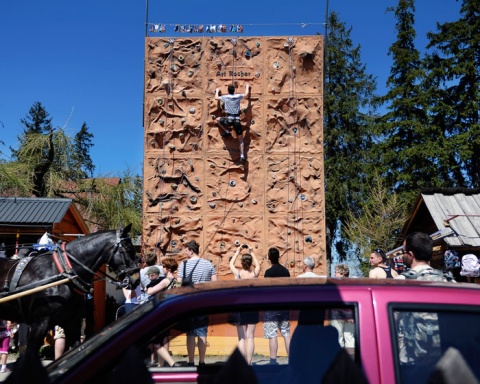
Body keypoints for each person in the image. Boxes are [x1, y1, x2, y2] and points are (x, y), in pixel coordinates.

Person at [178, 240, 217, 366]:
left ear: (191, 250)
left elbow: (179, 284)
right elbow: (214, 284)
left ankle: (190, 361)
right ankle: (202, 361)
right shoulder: (208, 265)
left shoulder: (183, 265)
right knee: (202, 332)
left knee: (190, 333)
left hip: (188, 303)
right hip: (203, 302)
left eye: (186, 250)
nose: (185, 252)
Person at [229, 244, 261, 365]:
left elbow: (230, 264)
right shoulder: (254, 274)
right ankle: (249, 362)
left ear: (242, 263)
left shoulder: (237, 274)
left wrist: (237, 252)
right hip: (252, 306)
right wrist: (252, 252)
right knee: (251, 337)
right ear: (250, 262)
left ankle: (242, 363)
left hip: (240, 306)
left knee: (241, 338)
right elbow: (258, 265)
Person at [146, 258, 178, 367]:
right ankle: (161, 364)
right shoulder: (176, 280)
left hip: (161, 312)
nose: (162, 268)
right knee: (164, 338)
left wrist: (147, 288)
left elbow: (150, 291)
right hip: (170, 312)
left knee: (156, 341)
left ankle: (172, 363)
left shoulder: (165, 281)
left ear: (168, 268)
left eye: (164, 266)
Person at [263, 247, 291, 365]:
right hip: (284, 305)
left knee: (272, 334)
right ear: (279, 257)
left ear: (269, 258)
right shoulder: (286, 271)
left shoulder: (268, 273)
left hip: (271, 305)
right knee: (286, 333)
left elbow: (266, 290)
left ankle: (273, 360)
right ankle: (291, 359)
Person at [215, 83, 251, 162]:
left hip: (229, 120)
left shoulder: (225, 97)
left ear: (228, 91)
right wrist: (247, 87)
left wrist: (217, 91)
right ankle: (242, 156)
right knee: (241, 139)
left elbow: (216, 97)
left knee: (218, 119)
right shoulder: (238, 96)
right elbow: (246, 94)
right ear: (234, 90)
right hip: (237, 120)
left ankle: (227, 131)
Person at [331, 265, 355, 350]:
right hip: (350, 313)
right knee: (350, 338)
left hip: (337, 312)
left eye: (336, 272)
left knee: (338, 337)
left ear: (341, 273)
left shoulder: (335, 284)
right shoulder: (352, 284)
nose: (334, 274)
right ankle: (351, 360)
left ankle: (340, 359)